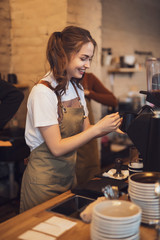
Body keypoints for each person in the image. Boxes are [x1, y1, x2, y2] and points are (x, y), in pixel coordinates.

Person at [20, 26, 121, 213]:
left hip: (68, 179)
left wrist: (111, 126)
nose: (88, 65)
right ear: (63, 55)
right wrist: (97, 129)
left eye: (89, 59)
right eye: (83, 58)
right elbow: (57, 148)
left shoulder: (77, 88)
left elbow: (86, 131)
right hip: (42, 184)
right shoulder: (43, 92)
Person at [76, 72, 118, 184]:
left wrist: (89, 93)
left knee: (90, 176)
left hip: (88, 142)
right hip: (70, 142)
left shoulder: (88, 78)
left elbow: (112, 100)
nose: (86, 65)